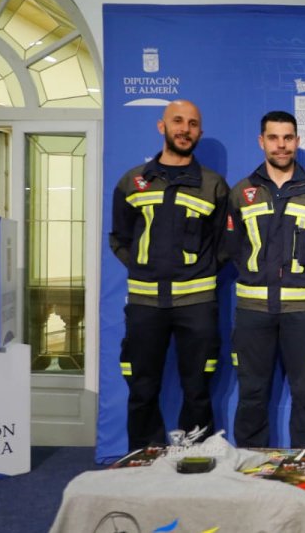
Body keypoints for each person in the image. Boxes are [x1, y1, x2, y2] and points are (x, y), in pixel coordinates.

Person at [109, 99, 229, 450]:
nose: (185, 129)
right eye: (178, 121)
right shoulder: (133, 182)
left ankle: (196, 459)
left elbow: (224, 244)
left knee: (197, 388)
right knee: (142, 387)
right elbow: (120, 238)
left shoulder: (213, 185)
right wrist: (143, 268)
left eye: (192, 124)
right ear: (162, 127)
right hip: (145, 303)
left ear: (199, 133)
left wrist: (197, 271)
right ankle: (142, 458)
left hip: (197, 303)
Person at [226, 111, 305, 448]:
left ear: (297, 141)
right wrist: (254, 275)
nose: (281, 145)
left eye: (288, 138)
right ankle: (249, 471)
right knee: (251, 396)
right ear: (262, 141)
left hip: (303, 312)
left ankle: (303, 471)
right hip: (253, 312)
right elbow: (231, 246)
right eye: (274, 138)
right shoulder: (241, 193)